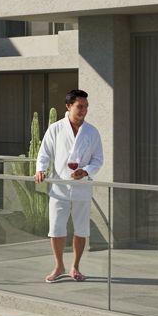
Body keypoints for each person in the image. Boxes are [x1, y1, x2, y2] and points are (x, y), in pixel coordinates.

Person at [34, 89, 104, 283]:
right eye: (80, 106)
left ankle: (75, 267)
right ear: (68, 106)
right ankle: (59, 266)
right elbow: (44, 153)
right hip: (59, 187)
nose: (83, 110)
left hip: (82, 187)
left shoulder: (92, 132)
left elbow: (98, 159)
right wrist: (41, 169)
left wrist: (86, 171)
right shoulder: (55, 129)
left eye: (86, 107)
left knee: (81, 229)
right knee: (56, 228)